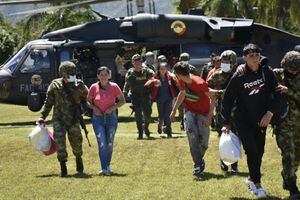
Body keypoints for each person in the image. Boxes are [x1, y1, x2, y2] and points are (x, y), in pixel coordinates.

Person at [221, 43, 279, 198]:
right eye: (251, 55)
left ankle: (251, 179)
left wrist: (269, 113)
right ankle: (258, 185)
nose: (254, 57)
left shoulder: (267, 72)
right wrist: (225, 122)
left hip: (262, 120)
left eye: (257, 54)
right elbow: (227, 99)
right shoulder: (239, 76)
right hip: (243, 121)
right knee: (252, 151)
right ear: (244, 58)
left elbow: (276, 94)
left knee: (259, 152)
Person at [38, 61, 88, 177]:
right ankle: (63, 166)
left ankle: (78, 158)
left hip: (74, 118)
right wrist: (42, 116)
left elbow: (88, 97)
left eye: (73, 73)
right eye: (70, 74)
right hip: (59, 119)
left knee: (77, 142)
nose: (72, 76)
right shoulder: (55, 85)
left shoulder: (78, 84)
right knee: (60, 142)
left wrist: (83, 90)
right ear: (63, 74)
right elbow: (48, 102)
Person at [170, 61, 216, 178]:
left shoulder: (199, 83)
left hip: (203, 113)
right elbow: (183, 93)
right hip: (189, 111)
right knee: (192, 137)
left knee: (204, 143)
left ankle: (199, 160)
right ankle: (197, 164)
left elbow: (213, 98)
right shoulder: (181, 81)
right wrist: (174, 110)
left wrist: (210, 117)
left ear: (179, 74)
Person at [87, 66, 125, 175]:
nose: (103, 77)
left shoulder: (114, 87)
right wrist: (94, 108)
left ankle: (107, 166)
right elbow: (88, 102)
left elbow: (122, 101)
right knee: (102, 143)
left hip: (111, 118)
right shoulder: (94, 87)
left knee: (109, 143)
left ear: (109, 76)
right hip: (97, 118)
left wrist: (112, 108)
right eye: (101, 75)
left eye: (105, 75)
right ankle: (103, 168)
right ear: (98, 76)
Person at [272, 51, 300, 199]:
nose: (294, 71)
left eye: (297, 69)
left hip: (298, 123)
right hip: (283, 123)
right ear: (285, 65)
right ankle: (293, 187)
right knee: (288, 154)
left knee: (297, 155)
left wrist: (289, 91)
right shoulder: (276, 75)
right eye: (291, 69)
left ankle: (287, 175)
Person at [207, 50, 238, 173]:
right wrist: (214, 92)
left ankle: (235, 164)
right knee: (223, 138)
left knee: (235, 138)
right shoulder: (216, 75)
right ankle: (224, 162)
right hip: (221, 111)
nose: (224, 63)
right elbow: (206, 86)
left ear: (233, 63)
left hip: (237, 112)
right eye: (223, 61)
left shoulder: (239, 75)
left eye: (227, 62)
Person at [123, 54, 154, 139]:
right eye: (135, 62)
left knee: (148, 114)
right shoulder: (130, 72)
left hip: (145, 95)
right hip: (135, 96)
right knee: (138, 114)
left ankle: (146, 128)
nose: (137, 64)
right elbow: (127, 84)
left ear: (141, 62)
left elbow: (154, 78)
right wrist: (124, 94)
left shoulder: (147, 71)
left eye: (139, 62)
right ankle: (140, 133)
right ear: (133, 63)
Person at [145, 62, 178, 137]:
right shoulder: (155, 77)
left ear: (167, 69)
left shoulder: (170, 77)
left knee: (168, 115)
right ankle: (159, 126)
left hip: (169, 98)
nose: (163, 70)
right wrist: (154, 81)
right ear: (158, 70)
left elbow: (176, 85)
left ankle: (169, 130)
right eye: (161, 69)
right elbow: (147, 85)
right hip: (159, 99)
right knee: (161, 115)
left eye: (164, 69)